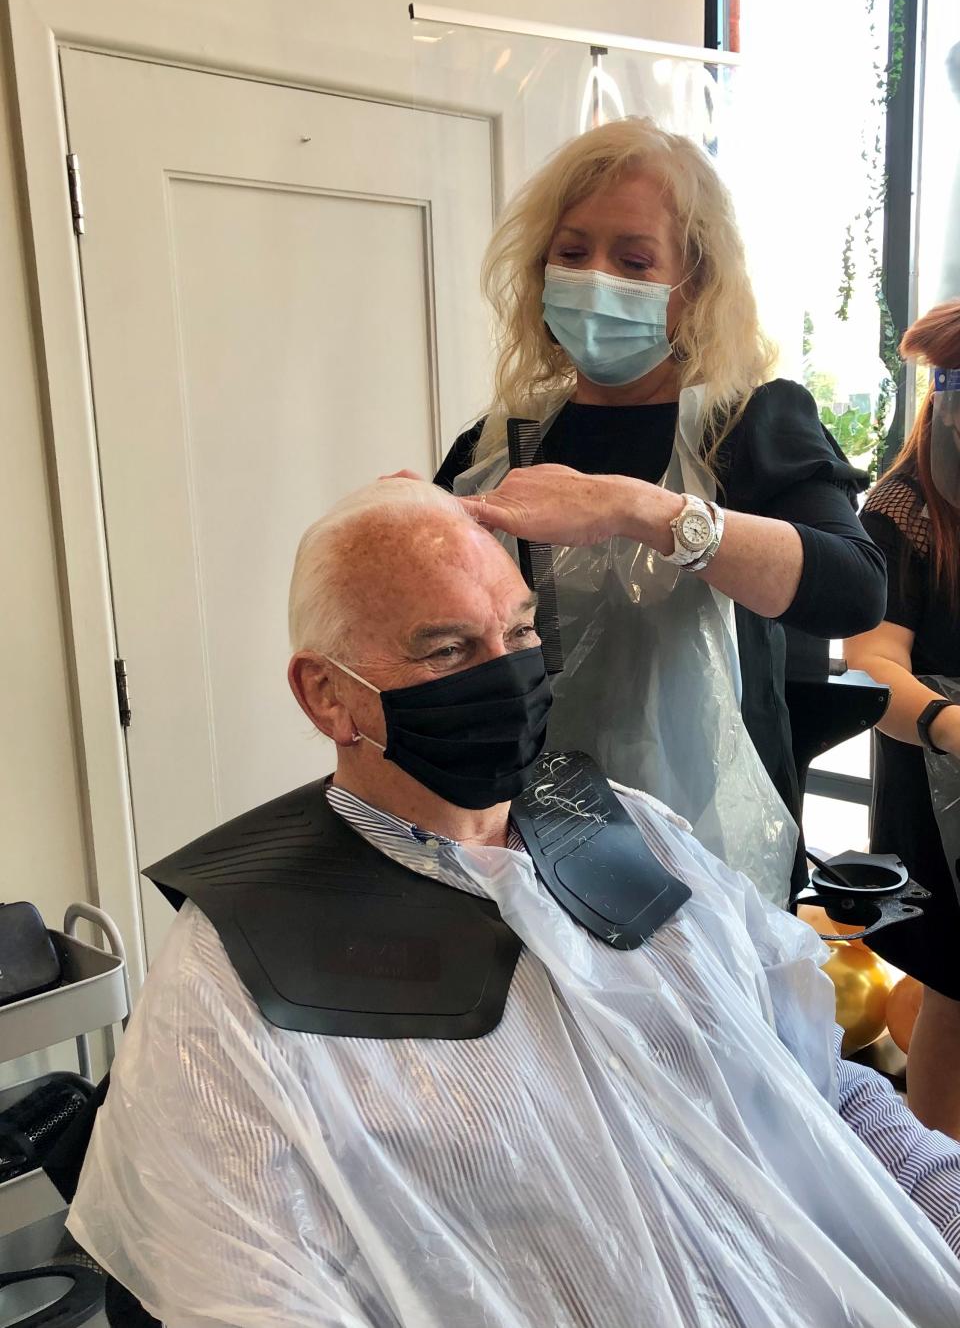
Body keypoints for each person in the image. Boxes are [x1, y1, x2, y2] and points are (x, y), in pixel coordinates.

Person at [69, 479, 960, 1328]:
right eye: (449, 649)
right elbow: (250, 1293)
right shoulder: (242, 971)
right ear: (328, 695)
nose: (506, 674)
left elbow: (819, 1092)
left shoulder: (631, 833)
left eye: (523, 633)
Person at [435, 117, 885, 905]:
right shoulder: (500, 443)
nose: (595, 278)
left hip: (706, 858)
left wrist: (636, 508)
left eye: (634, 260)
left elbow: (854, 588)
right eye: (571, 253)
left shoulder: (746, 426)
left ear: (693, 287)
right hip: (525, 854)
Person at [845, 301, 960, 1140]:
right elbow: (873, 664)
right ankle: (937, 1207)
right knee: (954, 997)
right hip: (941, 792)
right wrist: (950, 725)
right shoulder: (904, 507)